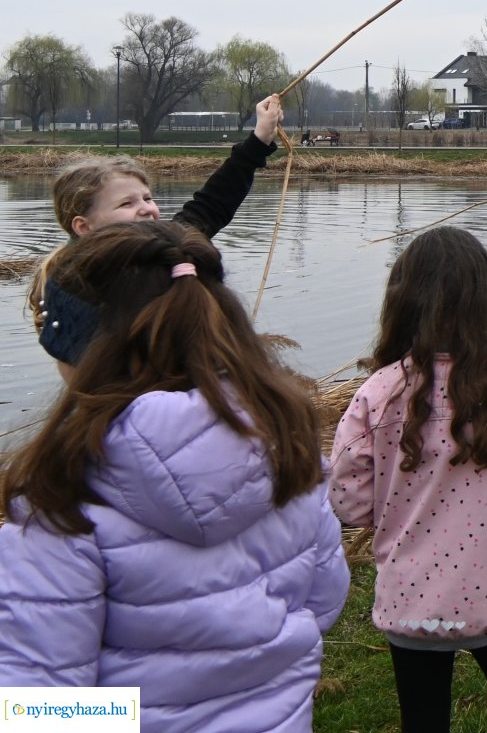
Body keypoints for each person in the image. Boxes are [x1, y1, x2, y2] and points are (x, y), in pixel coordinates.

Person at [0, 222, 347, 731]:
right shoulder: (290, 451)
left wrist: (149, 714)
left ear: (81, 353)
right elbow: (324, 600)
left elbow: (41, 708)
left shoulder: (62, 500)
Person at [331, 225, 487, 733]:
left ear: (402, 303)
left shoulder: (379, 392)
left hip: (411, 599)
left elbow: (349, 500)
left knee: (423, 719)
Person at [32, 93, 285, 377]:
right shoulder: (72, 285)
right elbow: (81, 379)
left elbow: (211, 205)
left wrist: (260, 138)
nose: (146, 209)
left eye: (147, 198)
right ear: (84, 226)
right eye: (126, 204)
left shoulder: (164, 250)